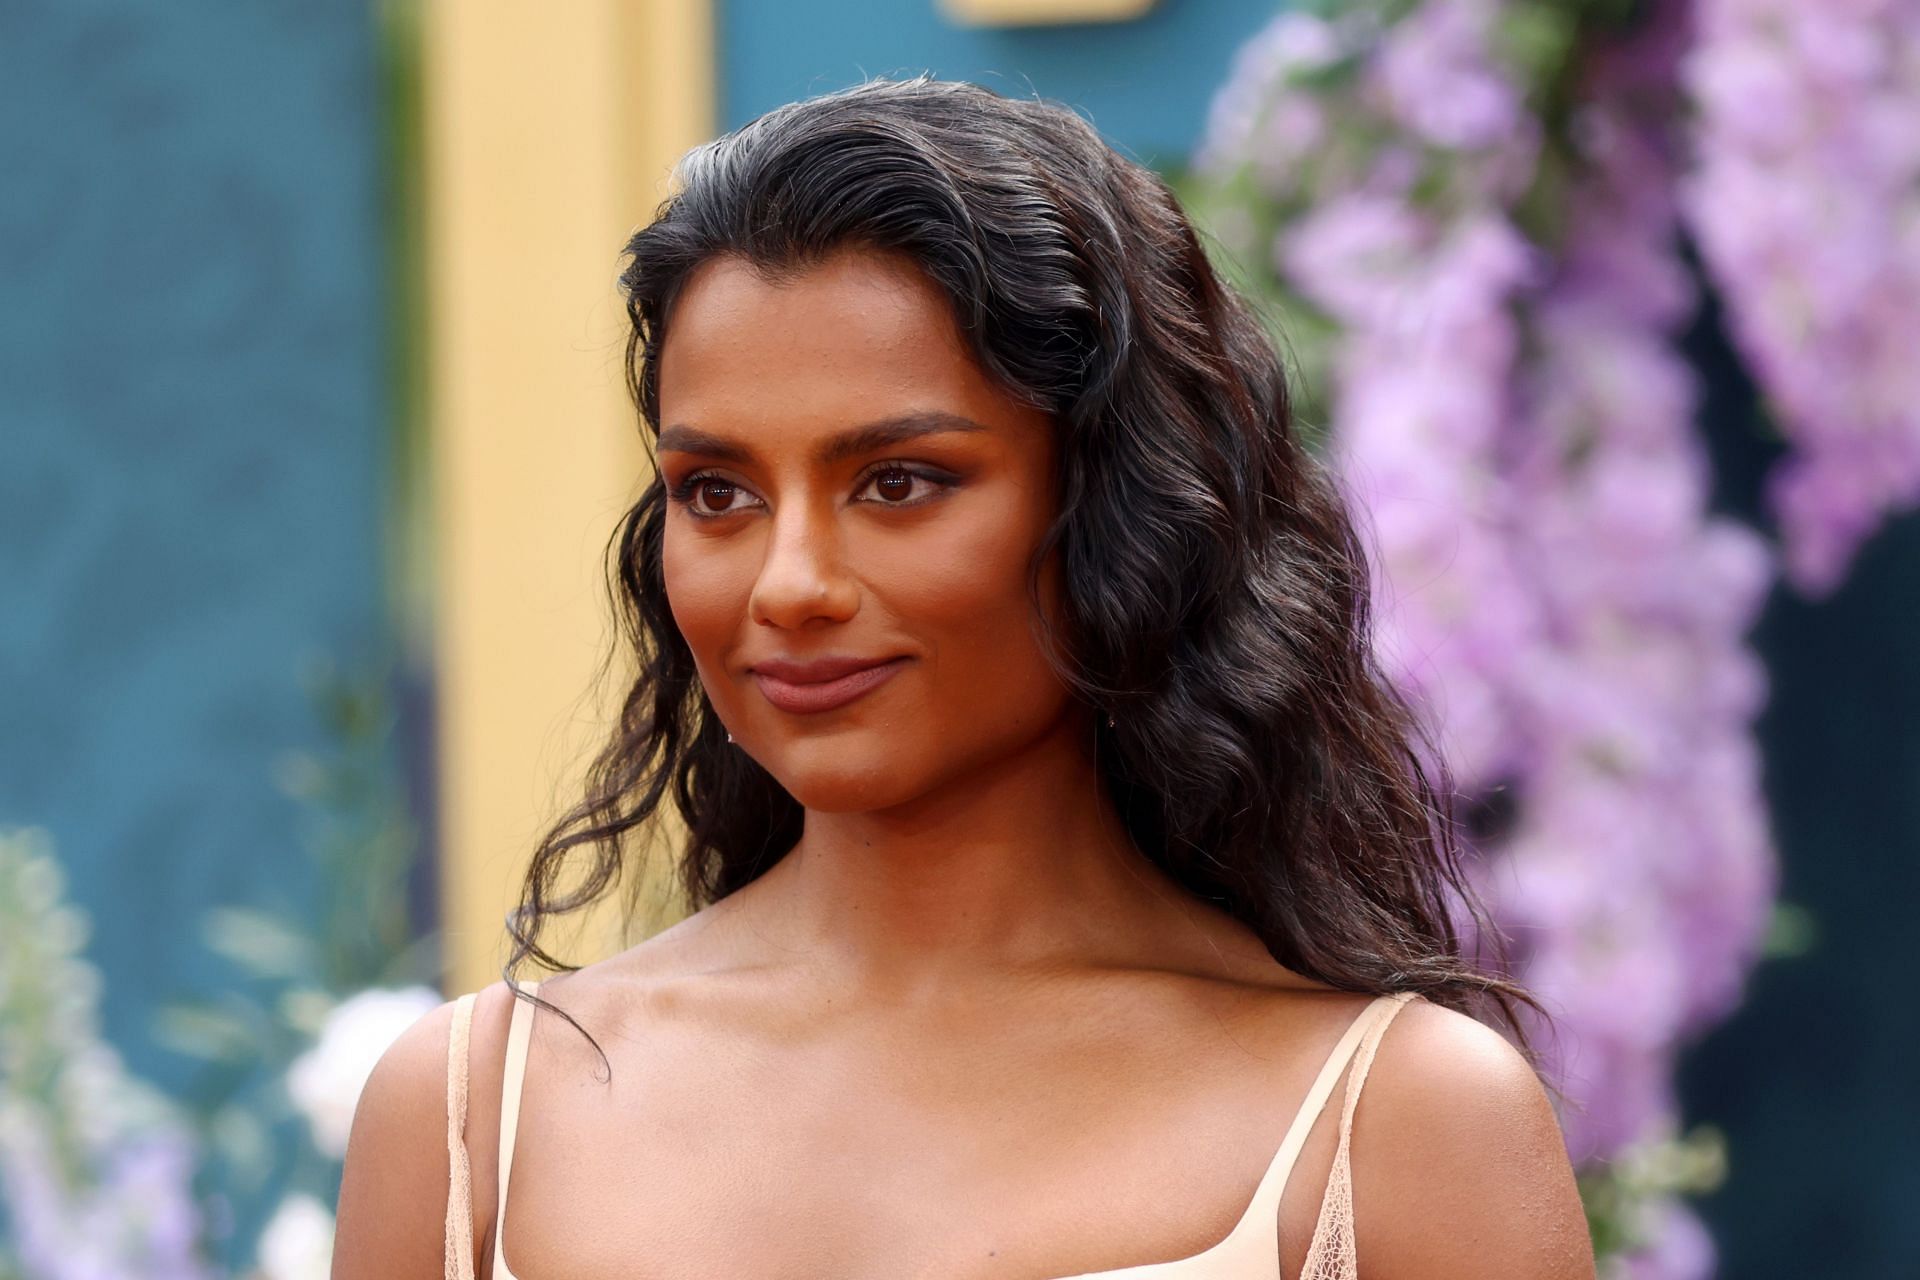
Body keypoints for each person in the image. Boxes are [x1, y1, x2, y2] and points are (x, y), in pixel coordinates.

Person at [333, 75, 1594, 1279]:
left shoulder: (1396, 1126)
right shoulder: (468, 1123)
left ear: (1119, 510)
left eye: (897, 482)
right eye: (717, 492)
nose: (789, 584)